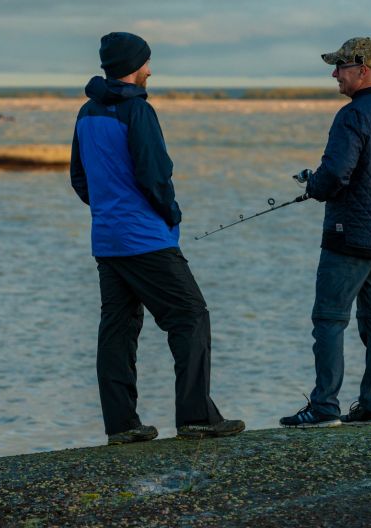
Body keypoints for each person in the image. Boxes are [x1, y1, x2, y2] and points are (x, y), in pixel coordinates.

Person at [70, 31, 245, 445]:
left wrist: (107, 209)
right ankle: (196, 417)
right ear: (134, 66)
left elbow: (79, 178)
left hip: (108, 239)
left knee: (118, 328)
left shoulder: (85, 112)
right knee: (191, 316)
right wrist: (171, 214)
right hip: (146, 238)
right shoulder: (138, 113)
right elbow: (155, 174)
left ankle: (122, 426)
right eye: (146, 62)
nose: (150, 69)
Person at [280, 37, 371, 428]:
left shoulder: (351, 115)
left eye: (341, 67)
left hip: (348, 235)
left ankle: (324, 407)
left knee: (329, 319)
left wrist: (314, 185)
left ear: (363, 70)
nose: (334, 74)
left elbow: (335, 175)